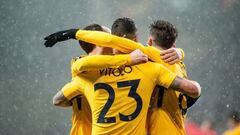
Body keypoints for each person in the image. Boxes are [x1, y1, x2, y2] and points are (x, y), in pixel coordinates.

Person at [44, 18, 200, 134]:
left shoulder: (85, 74)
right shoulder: (150, 68)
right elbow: (193, 91)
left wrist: (73, 33)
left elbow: (57, 100)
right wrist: (180, 52)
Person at [52, 24, 148, 135]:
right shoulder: (88, 68)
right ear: (98, 41)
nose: (114, 41)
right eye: (110, 38)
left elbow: (58, 101)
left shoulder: (84, 68)